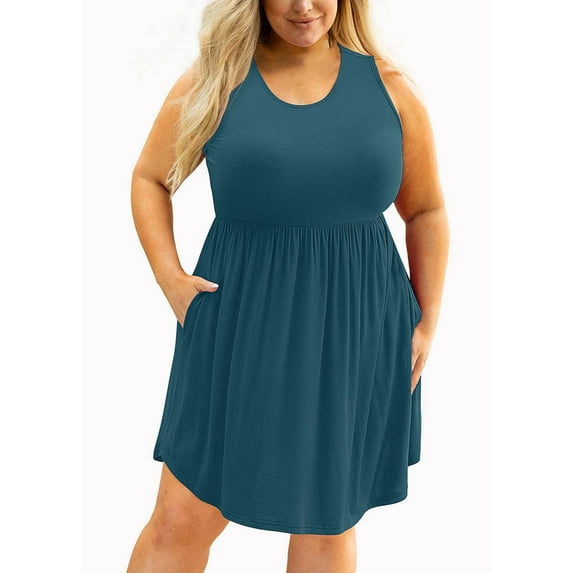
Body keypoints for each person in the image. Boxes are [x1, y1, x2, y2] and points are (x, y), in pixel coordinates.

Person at [127, 0, 449, 571]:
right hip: (238, 330)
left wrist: (426, 321)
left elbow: (425, 211)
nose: (303, 6)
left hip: (356, 334)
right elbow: (151, 178)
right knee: (182, 516)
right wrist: (169, 278)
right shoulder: (217, 80)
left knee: (328, 522)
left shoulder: (391, 90)